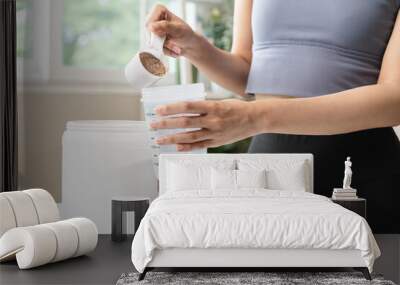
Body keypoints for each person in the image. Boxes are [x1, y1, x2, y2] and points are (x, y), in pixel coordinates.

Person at [147, 0, 400, 233]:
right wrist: (193, 45)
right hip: (270, 166)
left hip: (361, 169)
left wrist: (254, 117)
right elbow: (248, 72)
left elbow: (394, 99)